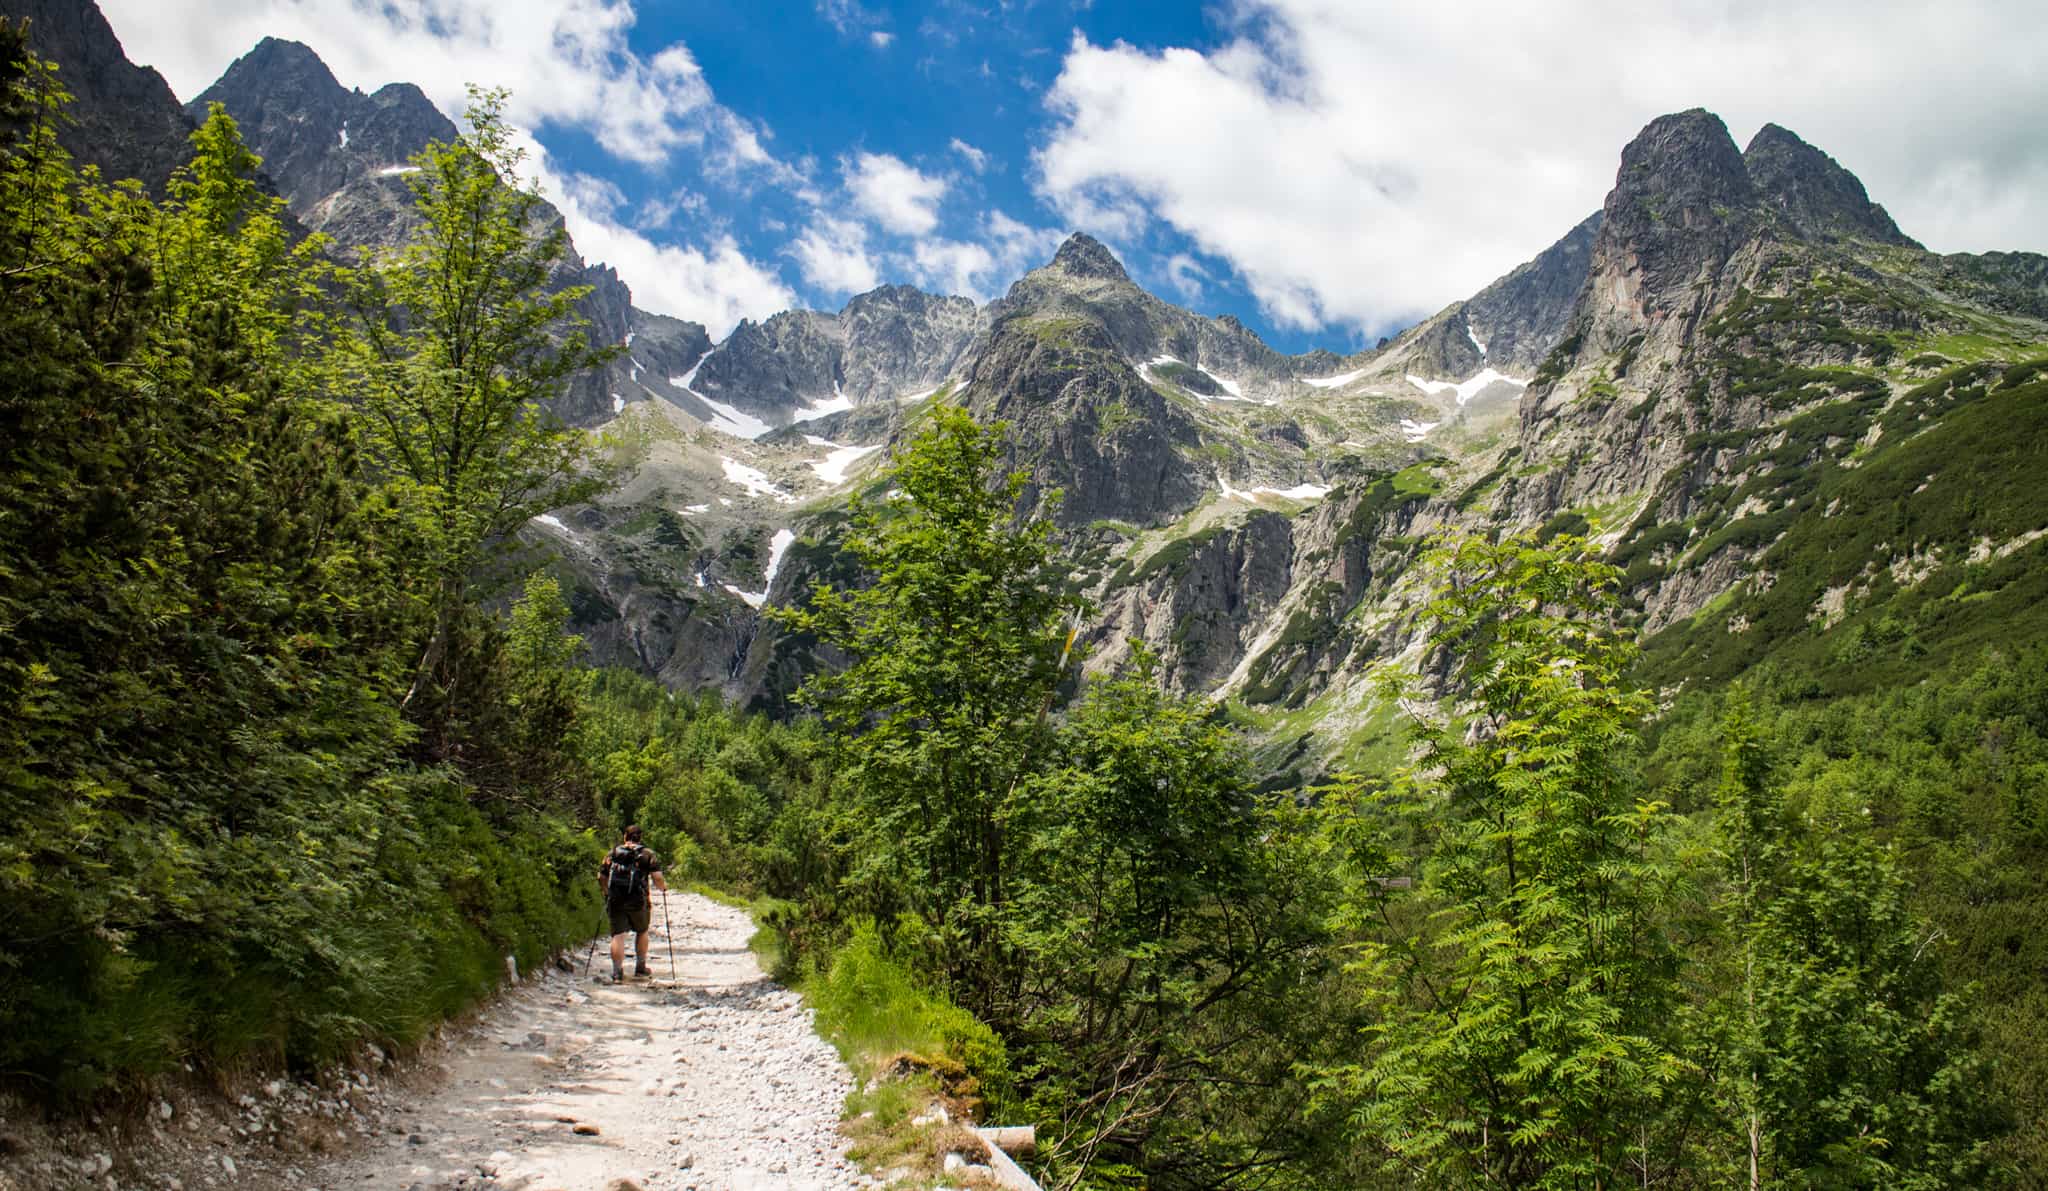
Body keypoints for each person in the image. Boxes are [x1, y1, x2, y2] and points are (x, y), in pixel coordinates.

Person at [598, 825, 668, 982]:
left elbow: (601, 876)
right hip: (638, 899)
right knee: (642, 931)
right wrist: (663, 888)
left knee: (618, 935)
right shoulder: (647, 854)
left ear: (625, 836)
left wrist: (606, 892)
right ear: (640, 838)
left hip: (616, 899)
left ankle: (617, 972)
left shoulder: (613, 853)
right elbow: (657, 877)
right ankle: (640, 968)